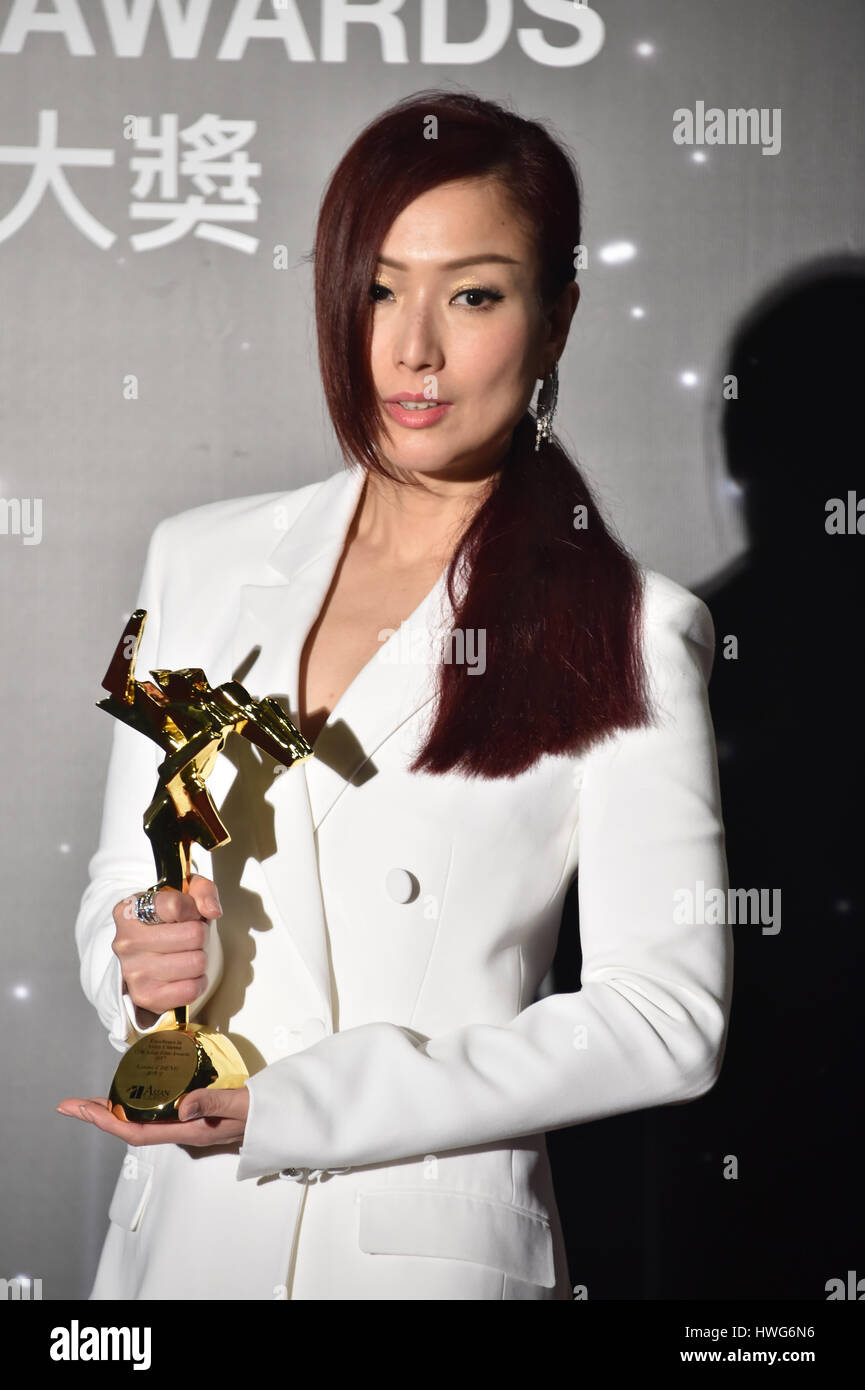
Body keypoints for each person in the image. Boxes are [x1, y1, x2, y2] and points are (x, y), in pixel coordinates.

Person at [58, 89, 733, 1301]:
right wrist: (147, 965)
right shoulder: (196, 558)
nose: (412, 347)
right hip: (182, 1242)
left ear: (557, 316)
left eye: (472, 294)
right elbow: (123, 882)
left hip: (418, 1253)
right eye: (379, 286)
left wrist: (304, 1105)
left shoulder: (633, 628)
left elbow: (663, 1019)